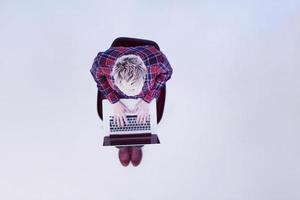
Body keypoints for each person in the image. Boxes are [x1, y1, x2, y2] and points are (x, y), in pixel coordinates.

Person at [90, 44, 173, 167]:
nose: (131, 95)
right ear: (113, 74)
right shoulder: (103, 62)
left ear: (145, 73)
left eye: (134, 90)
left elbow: (167, 72)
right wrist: (114, 101)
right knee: (115, 126)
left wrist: (146, 100)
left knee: (144, 126)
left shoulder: (157, 60)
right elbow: (96, 75)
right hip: (117, 99)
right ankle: (121, 144)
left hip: (145, 99)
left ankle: (138, 144)